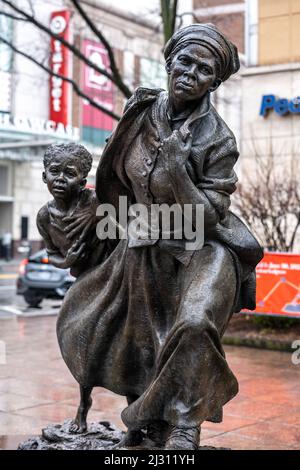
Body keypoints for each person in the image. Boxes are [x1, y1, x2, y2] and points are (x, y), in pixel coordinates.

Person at [56, 24, 263, 449]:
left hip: (206, 247)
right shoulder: (141, 111)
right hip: (145, 241)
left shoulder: (218, 138)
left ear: (215, 82)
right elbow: (117, 181)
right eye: (184, 62)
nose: (190, 73)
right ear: (170, 62)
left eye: (204, 70)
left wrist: (178, 175)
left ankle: (185, 425)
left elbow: (207, 218)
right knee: (130, 333)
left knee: (193, 323)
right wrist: (92, 227)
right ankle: (150, 421)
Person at [37, 142, 107, 278]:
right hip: (82, 275)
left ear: (82, 183)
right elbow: (52, 254)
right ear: (45, 177)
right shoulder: (44, 217)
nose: (60, 179)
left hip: (111, 269)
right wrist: (66, 261)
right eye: (54, 171)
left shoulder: (96, 200)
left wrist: (101, 215)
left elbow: (127, 231)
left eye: (70, 173)